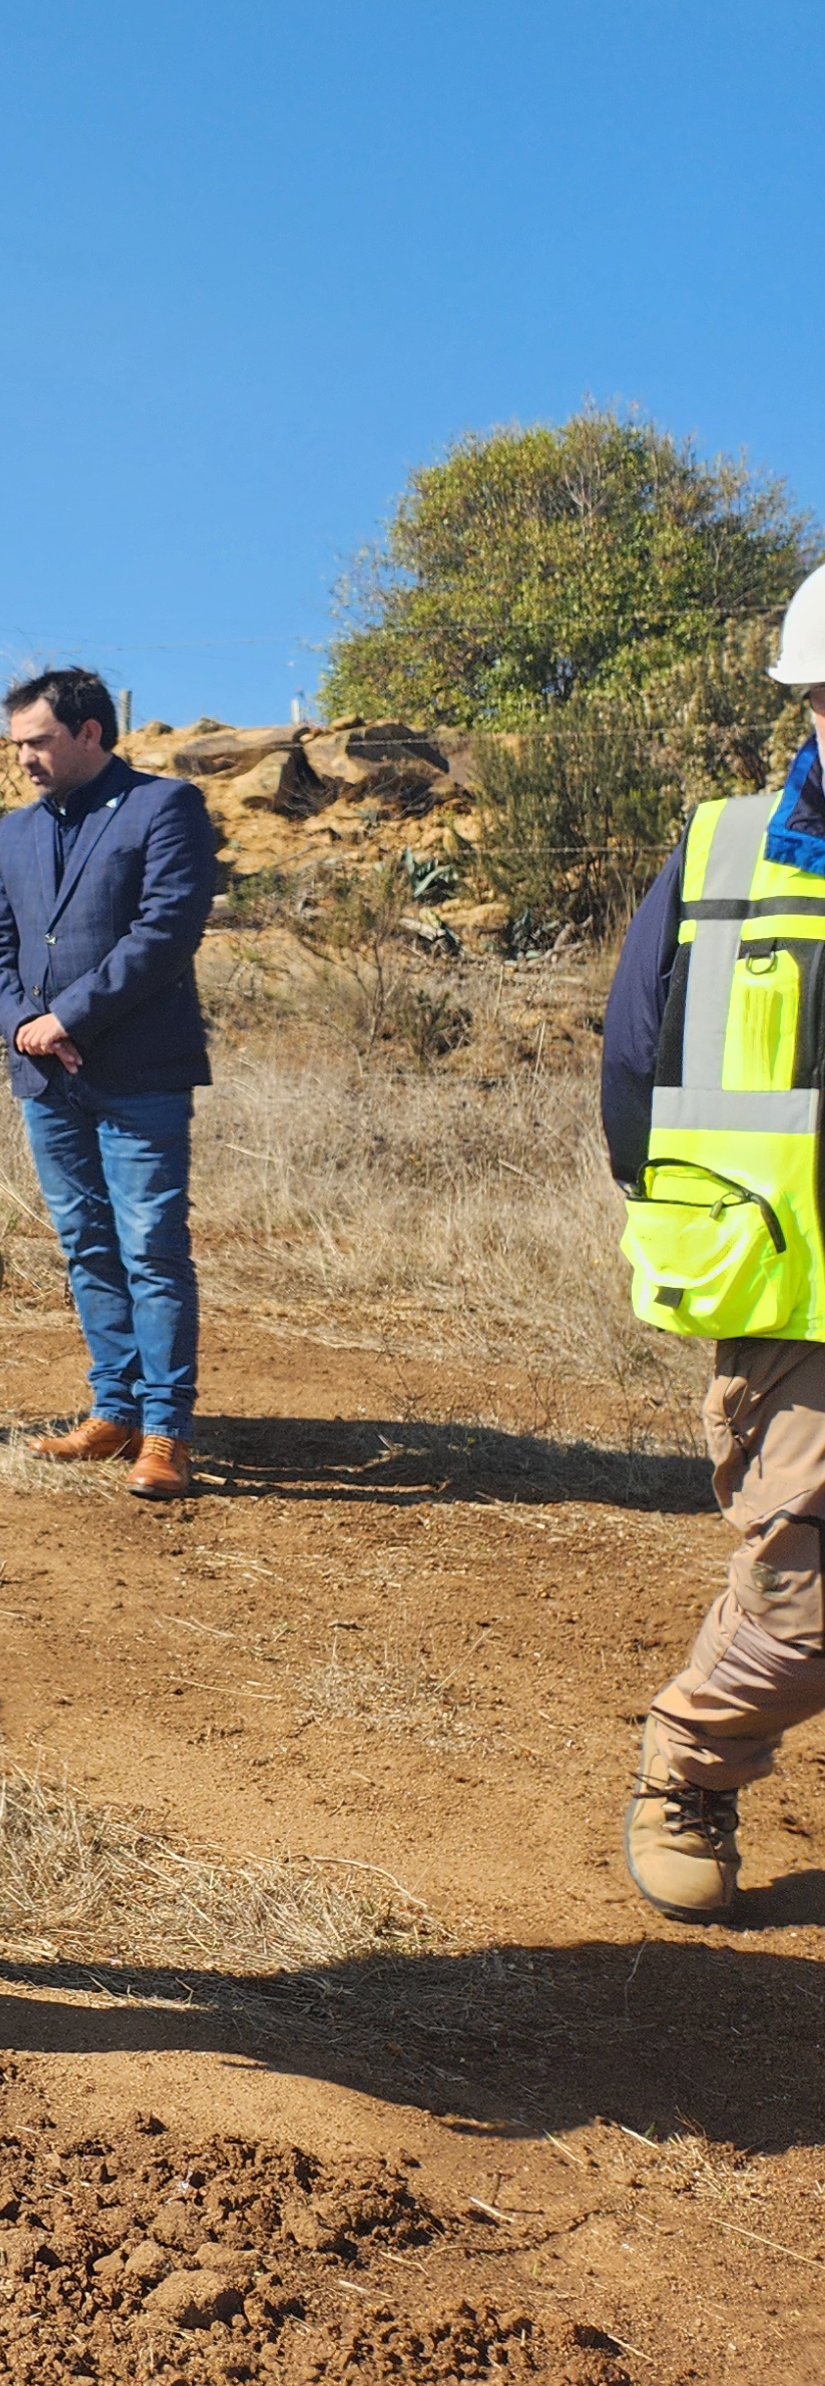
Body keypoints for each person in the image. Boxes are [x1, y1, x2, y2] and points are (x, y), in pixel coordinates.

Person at [604, 562, 825, 1926]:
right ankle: (687, 1761)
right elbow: (638, 1060)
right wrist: (692, 1210)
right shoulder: (730, 847)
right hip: (799, 1288)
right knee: (808, 1596)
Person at [0, 668, 219, 1502]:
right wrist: (22, 1026)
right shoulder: (13, 833)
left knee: (151, 1248)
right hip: (46, 1078)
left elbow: (165, 933)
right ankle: (112, 1411)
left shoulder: (164, 808)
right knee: (86, 1245)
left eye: (38, 742)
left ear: (89, 733)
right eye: (15, 747)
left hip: (138, 1074)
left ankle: (165, 1431)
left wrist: (68, 1018)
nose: (24, 761)